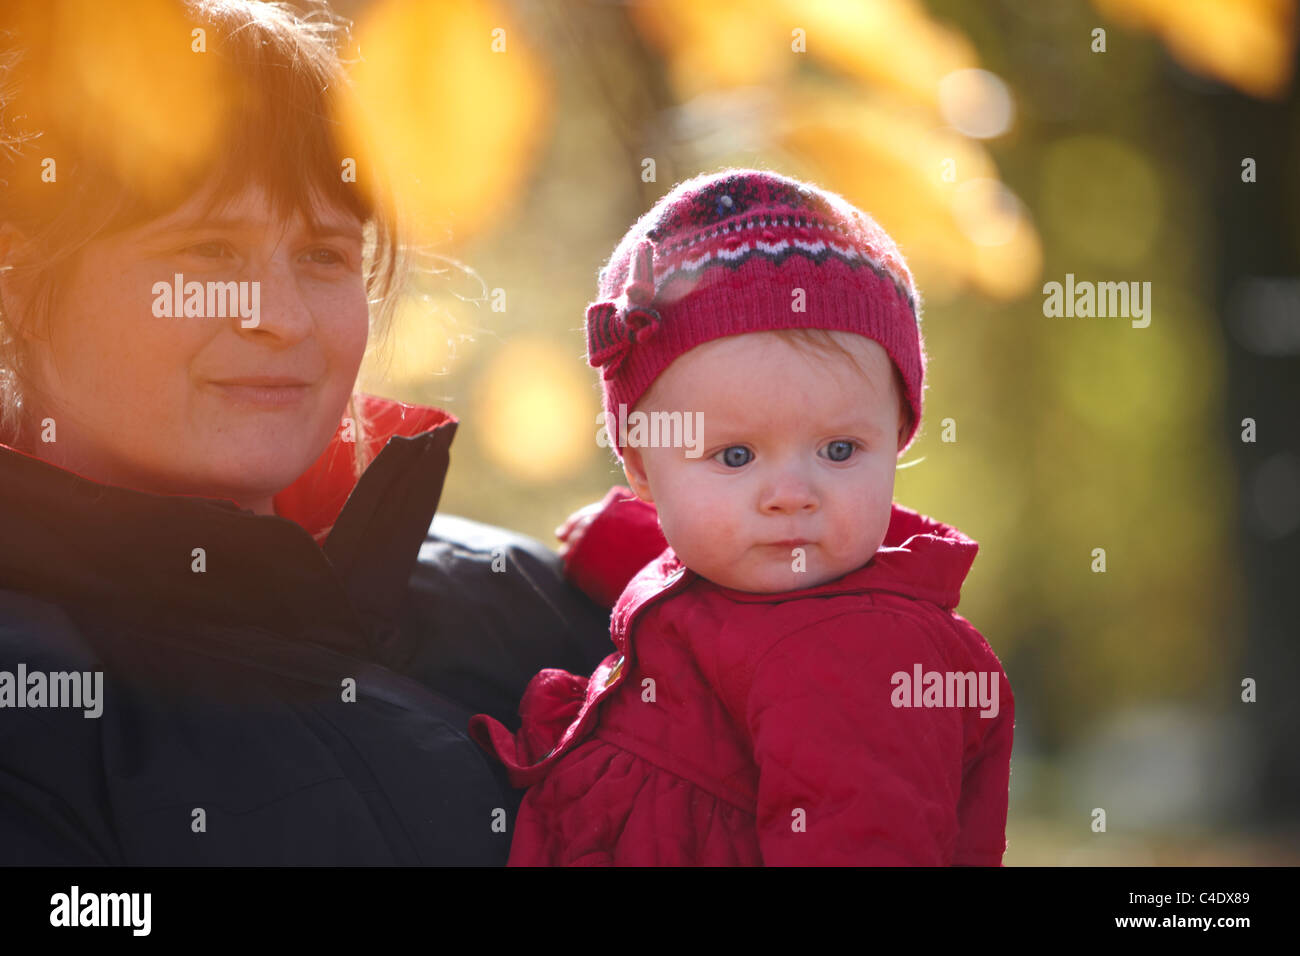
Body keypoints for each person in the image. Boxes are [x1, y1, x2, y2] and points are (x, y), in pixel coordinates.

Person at [0, 0, 657, 865]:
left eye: (322, 255)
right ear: (17, 291)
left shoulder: (554, 605)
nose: (281, 319)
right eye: (206, 252)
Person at [471, 169, 1016, 865]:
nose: (791, 494)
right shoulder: (759, 571)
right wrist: (629, 544)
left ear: (899, 437)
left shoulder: (870, 655)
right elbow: (719, 608)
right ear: (643, 469)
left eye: (840, 449)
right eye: (734, 457)